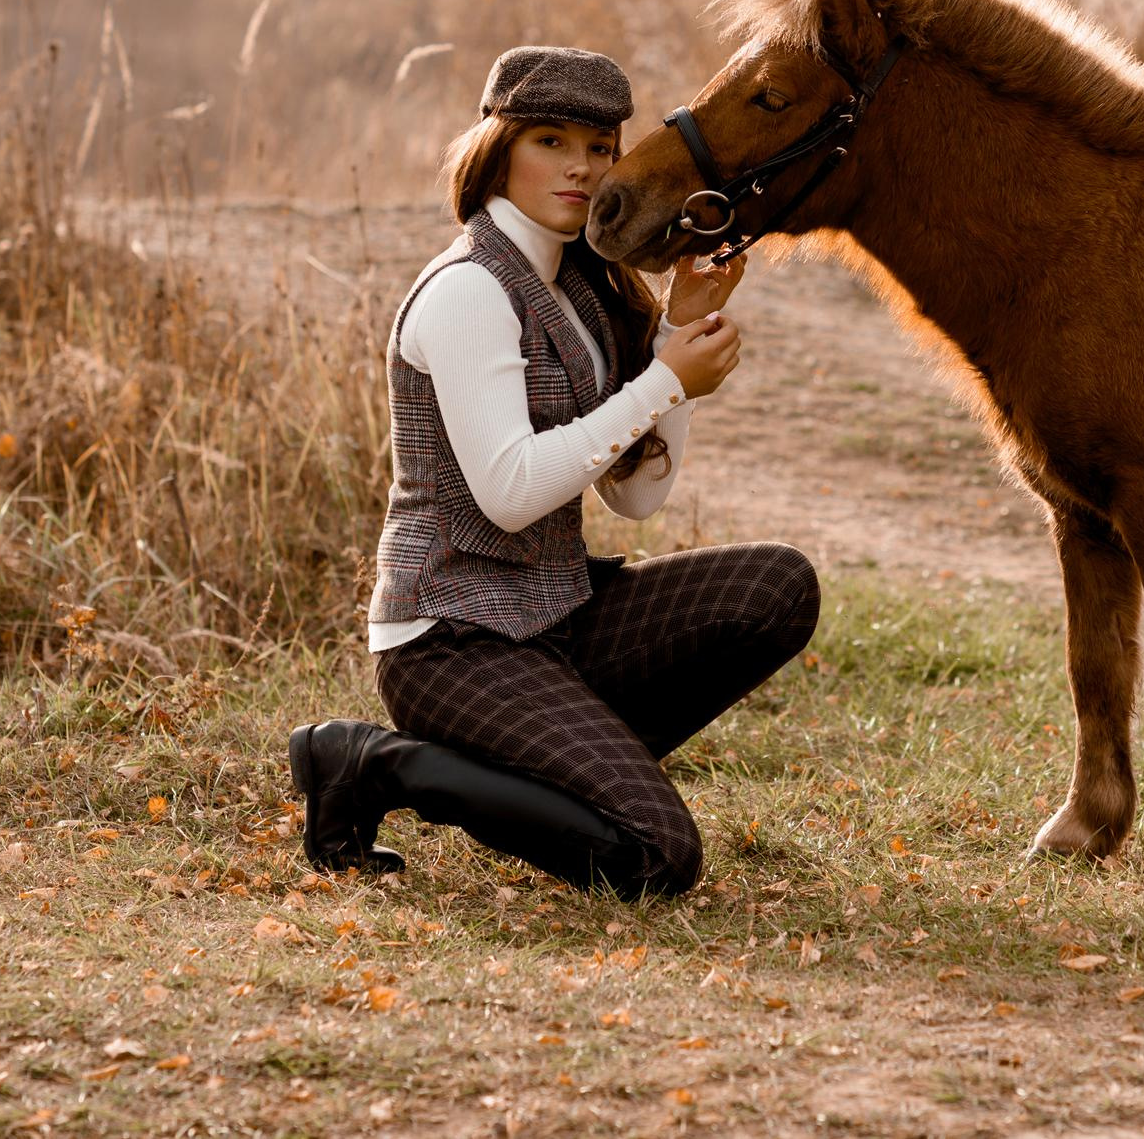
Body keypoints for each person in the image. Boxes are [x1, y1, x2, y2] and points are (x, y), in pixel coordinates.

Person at [285, 45, 818, 898]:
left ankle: (550, 787)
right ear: (499, 146)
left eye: (600, 146)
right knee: (656, 859)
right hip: (448, 641)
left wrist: (672, 344)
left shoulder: (582, 286)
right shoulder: (468, 290)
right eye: (551, 141)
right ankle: (375, 764)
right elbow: (510, 492)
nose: (581, 167)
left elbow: (635, 496)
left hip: (553, 622)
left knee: (779, 586)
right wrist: (667, 378)